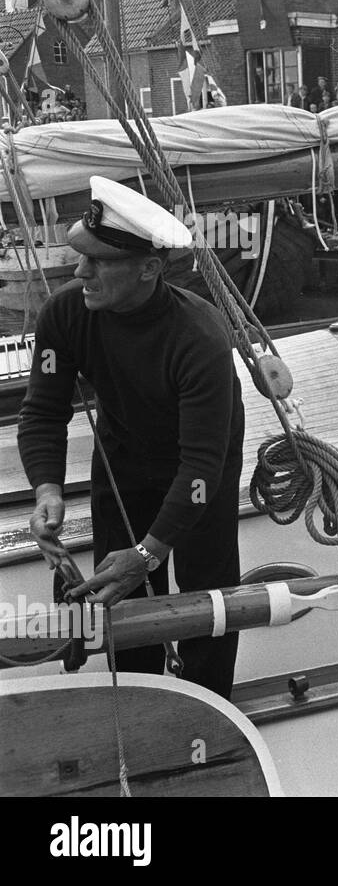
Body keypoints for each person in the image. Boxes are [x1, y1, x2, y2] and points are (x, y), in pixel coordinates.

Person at [19, 176, 244, 698]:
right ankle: (145, 701)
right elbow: (45, 411)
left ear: (149, 268)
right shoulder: (65, 315)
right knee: (123, 602)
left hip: (198, 476)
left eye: (97, 261)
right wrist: (47, 489)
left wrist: (150, 551)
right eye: (81, 256)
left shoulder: (200, 337)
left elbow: (201, 468)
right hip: (123, 464)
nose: (80, 271)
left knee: (206, 598)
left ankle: (209, 711)